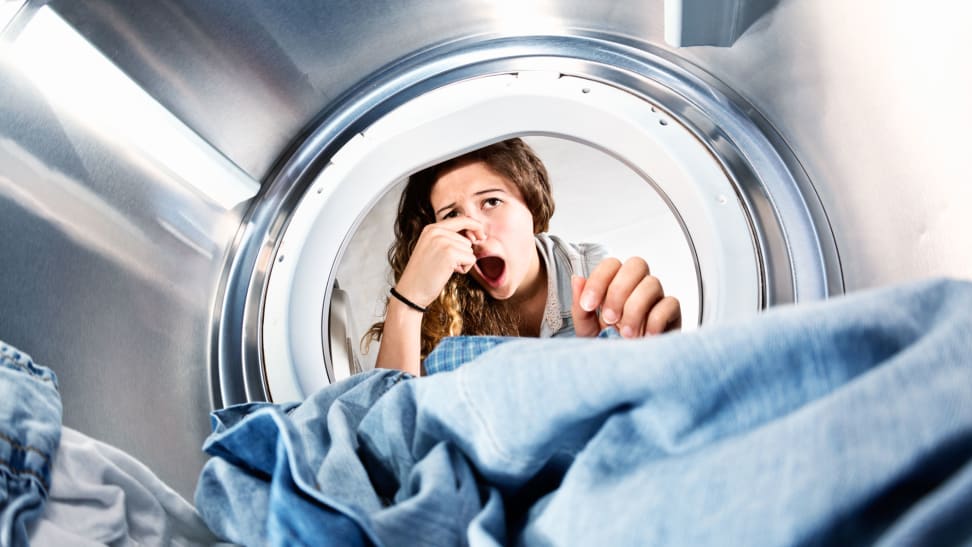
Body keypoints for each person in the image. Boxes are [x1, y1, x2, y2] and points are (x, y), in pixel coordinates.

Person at [366, 138, 681, 375]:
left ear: (532, 206)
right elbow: (393, 427)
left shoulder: (591, 274)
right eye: (451, 215)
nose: (474, 230)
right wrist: (408, 301)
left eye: (491, 201)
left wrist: (657, 355)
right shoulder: (440, 304)